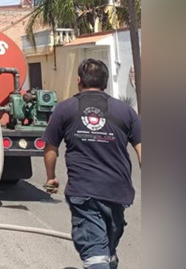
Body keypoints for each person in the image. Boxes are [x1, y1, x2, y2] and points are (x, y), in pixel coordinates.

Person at [43, 58, 141, 269]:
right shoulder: (126, 111)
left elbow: (50, 147)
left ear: (79, 80)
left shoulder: (64, 109)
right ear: (105, 82)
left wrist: (51, 177)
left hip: (84, 191)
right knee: (104, 250)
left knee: (99, 254)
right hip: (117, 192)